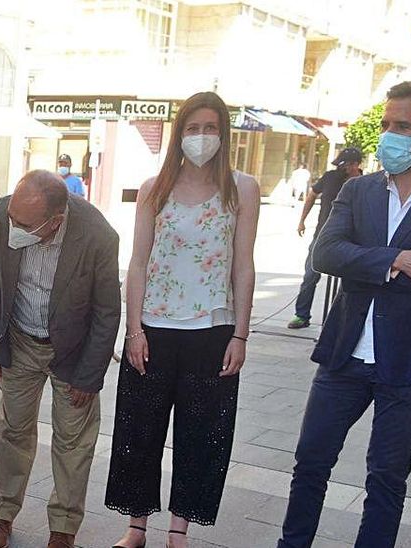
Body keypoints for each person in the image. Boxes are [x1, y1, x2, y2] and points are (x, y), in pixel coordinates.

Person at [278, 82, 411, 548]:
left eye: (403, 126)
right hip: (344, 354)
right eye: (386, 125)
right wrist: (401, 260)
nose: (389, 135)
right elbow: (326, 253)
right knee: (310, 464)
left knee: (386, 478)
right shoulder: (358, 188)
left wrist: (369, 257)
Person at [107, 91, 260, 548]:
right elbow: (137, 262)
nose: (201, 137)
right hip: (153, 328)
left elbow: (243, 265)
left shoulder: (241, 188)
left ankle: (179, 530)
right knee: (139, 429)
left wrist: (241, 334)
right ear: (179, 135)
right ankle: (136, 528)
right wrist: (133, 329)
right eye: (193, 129)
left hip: (212, 331)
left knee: (202, 436)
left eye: (210, 128)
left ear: (224, 133)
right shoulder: (154, 188)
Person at [0, 170, 121, 548]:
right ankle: (2, 516)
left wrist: (89, 377)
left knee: (73, 441)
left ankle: (63, 528)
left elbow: (108, 312)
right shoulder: (4, 213)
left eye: (23, 224)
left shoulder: (98, 236)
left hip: (73, 350)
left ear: (55, 221)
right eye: (11, 217)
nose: (12, 226)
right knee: (13, 431)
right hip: (21, 340)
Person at [287, 147, 363, 329]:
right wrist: (302, 220)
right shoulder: (330, 177)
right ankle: (301, 314)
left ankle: (341, 321)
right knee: (310, 276)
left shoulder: (365, 183)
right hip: (322, 235)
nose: (341, 169)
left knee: (348, 283)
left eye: (345, 165)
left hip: (351, 239)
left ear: (355, 165)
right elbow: (312, 195)